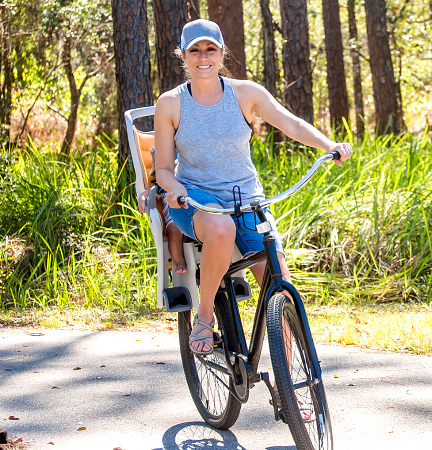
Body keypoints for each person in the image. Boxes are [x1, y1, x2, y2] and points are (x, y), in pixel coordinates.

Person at [153, 19, 353, 355]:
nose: (204, 57)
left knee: (281, 289)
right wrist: (175, 189)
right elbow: (162, 169)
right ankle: (205, 317)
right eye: (195, 50)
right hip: (195, 201)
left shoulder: (246, 93)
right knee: (220, 228)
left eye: (211, 49)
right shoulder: (171, 103)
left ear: (222, 53)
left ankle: (289, 386)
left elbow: (291, 123)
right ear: (183, 56)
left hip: (247, 201)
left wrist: (327, 144)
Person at [137, 147, 187, 273]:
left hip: (194, 213)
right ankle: (179, 261)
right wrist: (143, 199)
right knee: (174, 231)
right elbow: (148, 193)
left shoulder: (189, 180)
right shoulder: (162, 187)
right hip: (174, 217)